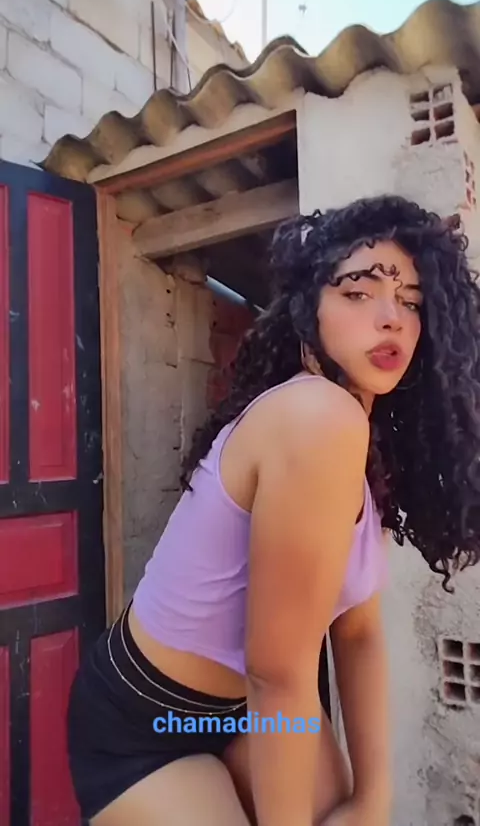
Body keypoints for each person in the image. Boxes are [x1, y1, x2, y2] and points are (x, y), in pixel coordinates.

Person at [67, 194, 480, 826]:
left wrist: (373, 799)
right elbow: (276, 670)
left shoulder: (362, 444)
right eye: (358, 292)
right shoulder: (315, 415)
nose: (391, 318)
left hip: (254, 713)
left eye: (412, 302)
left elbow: (357, 631)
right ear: (307, 310)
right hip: (143, 722)